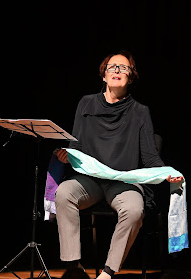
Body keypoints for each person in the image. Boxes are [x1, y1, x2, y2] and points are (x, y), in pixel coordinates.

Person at [55, 50, 183, 279]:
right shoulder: (86, 104)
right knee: (64, 193)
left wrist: (167, 174)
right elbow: (76, 146)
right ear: (103, 76)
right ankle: (74, 267)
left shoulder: (140, 112)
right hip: (90, 180)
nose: (117, 70)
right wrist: (66, 154)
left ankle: (108, 272)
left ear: (130, 77)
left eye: (123, 68)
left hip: (123, 182)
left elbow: (151, 157)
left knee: (134, 209)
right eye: (112, 67)